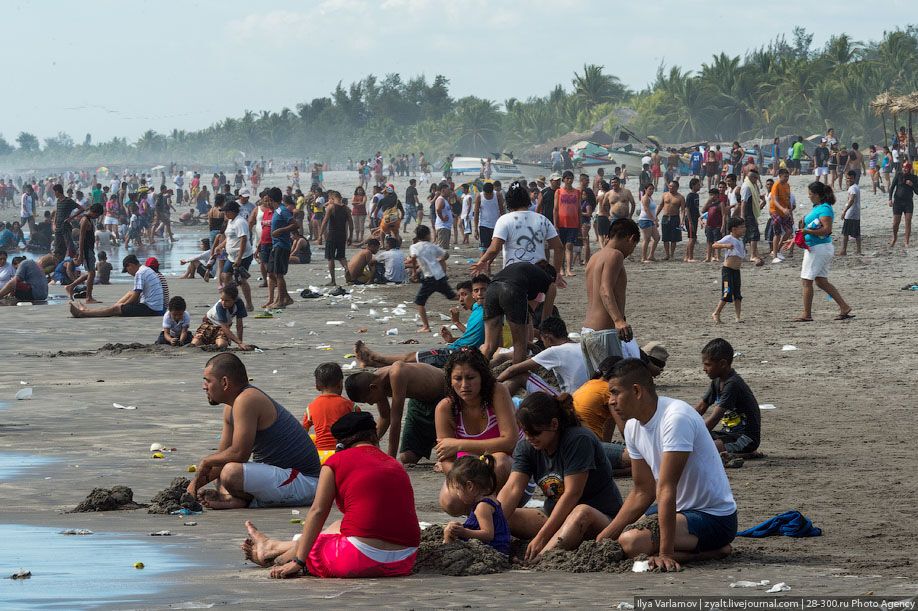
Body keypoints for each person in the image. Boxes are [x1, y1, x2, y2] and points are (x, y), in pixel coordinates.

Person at [596, 359, 737, 571]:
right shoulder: (633, 427)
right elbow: (643, 491)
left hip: (714, 517)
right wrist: (603, 537)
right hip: (679, 512)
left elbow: (666, 487)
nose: (611, 401)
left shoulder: (675, 417)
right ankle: (695, 549)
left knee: (631, 542)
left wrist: (665, 554)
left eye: (615, 393)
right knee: (621, 537)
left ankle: (713, 551)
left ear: (636, 391)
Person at [242, 411, 420, 578]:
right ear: (374, 437)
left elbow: (318, 511)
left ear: (340, 444)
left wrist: (298, 561)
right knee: (337, 524)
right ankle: (272, 546)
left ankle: (276, 558)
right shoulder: (394, 464)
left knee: (316, 542)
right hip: (404, 560)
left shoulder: (334, 462)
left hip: (359, 559)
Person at [497, 392, 623, 560]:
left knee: (581, 511)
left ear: (554, 424)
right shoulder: (527, 447)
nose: (529, 438)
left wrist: (541, 538)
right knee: (502, 515)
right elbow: (512, 489)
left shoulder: (578, 440)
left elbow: (572, 494)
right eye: (525, 432)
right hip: (556, 520)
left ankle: (540, 559)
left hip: (600, 520)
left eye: (535, 433)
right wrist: (491, 526)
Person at [188, 353, 322, 509]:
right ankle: (234, 499)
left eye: (208, 381)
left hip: (305, 482)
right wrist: (192, 487)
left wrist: (206, 461)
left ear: (224, 382)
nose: (204, 386)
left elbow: (239, 454)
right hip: (280, 476)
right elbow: (223, 457)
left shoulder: (247, 399)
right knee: (224, 468)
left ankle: (239, 499)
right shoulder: (230, 407)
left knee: (230, 472)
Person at [434, 349, 519, 515]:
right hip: (470, 472)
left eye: (471, 378)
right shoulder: (445, 408)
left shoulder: (497, 392)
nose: (464, 385)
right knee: (450, 501)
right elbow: (445, 458)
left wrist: (459, 445)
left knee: (499, 461)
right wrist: (463, 480)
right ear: (450, 381)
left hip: (511, 473)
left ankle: (494, 515)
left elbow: (509, 441)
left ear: (482, 378)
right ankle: (478, 516)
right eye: (458, 379)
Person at [355, 276, 489, 368]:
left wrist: (456, 325)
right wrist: (453, 336)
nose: (460, 299)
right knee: (412, 359)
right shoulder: (477, 309)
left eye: (464, 294)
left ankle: (375, 357)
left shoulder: (487, 311)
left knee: (410, 357)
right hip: (456, 349)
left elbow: (484, 340)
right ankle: (374, 362)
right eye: (476, 291)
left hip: (457, 354)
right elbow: (475, 336)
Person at [344, 362, 447, 461]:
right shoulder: (377, 384)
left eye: (368, 400)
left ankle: (438, 439)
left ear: (373, 388)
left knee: (446, 455)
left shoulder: (396, 373)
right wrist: (368, 443)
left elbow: (395, 421)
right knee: (407, 457)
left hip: (444, 396)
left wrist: (391, 460)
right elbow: (385, 417)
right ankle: (431, 439)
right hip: (419, 402)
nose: (371, 404)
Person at [581, 219, 641, 375]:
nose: (631, 251)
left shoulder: (594, 257)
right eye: (633, 246)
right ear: (630, 238)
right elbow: (605, 289)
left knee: (597, 385)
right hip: (604, 332)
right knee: (614, 384)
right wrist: (618, 320)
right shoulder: (615, 255)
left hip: (588, 331)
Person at [472, 180, 563, 279]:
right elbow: (559, 248)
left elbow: (494, 249)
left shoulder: (504, 220)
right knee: (548, 291)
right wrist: (557, 273)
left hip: (513, 275)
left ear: (509, 202)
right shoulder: (543, 220)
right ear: (527, 200)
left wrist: (482, 261)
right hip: (538, 274)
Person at [793, 181, 854, 322]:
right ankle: (844, 307)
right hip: (819, 248)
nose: (808, 196)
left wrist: (806, 230)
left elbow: (827, 230)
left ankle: (806, 314)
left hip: (818, 249)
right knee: (821, 281)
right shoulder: (818, 207)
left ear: (817, 195)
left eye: (810, 194)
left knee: (806, 280)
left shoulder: (825, 209)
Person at [480, 260, 558, 365]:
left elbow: (525, 314)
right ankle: (517, 378)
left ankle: (477, 373)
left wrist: (529, 343)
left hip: (492, 289)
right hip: (511, 289)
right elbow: (545, 322)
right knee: (519, 346)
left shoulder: (527, 271)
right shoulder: (551, 283)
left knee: (489, 346)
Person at [695, 338, 761, 456]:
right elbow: (700, 407)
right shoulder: (717, 381)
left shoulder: (732, 384)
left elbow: (715, 418)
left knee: (702, 448)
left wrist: (693, 433)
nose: (704, 369)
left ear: (722, 364)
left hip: (745, 438)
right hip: (727, 434)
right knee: (696, 441)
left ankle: (747, 453)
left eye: (708, 365)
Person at [498, 316, 588, 395]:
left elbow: (512, 370)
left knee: (521, 375)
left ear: (548, 338)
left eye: (543, 341)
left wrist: (494, 383)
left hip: (572, 403)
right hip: (589, 398)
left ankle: (494, 406)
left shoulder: (555, 351)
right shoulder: (580, 346)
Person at [442, 454, 511, 555]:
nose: (457, 493)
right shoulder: (491, 500)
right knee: (451, 528)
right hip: (495, 548)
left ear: (470, 486)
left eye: (457, 489)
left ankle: (445, 552)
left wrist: (464, 532)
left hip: (491, 550)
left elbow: (488, 534)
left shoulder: (482, 507)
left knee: (448, 532)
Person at [70, 254, 164, 318]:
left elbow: (135, 297)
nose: (129, 273)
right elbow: (135, 294)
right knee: (128, 295)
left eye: (127, 270)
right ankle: (89, 311)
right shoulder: (146, 269)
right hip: (156, 307)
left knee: (116, 308)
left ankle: (83, 313)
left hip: (151, 309)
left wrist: (122, 305)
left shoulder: (140, 273)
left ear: (130, 265)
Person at [302, 363, 358, 463]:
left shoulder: (311, 407)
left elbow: (302, 432)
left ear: (317, 386)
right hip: (342, 453)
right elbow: (362, 429)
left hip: (320, 456)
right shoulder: (351, 406)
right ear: (340, 384)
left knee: (312, 437)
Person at [407, 225, 453, 333]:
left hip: (429, 278)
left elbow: (413, 258)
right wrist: (439, 259)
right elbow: (446, 254)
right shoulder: (432, 246)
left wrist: (414, 272)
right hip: (440, 276)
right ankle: (474, 303)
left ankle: (426, 326)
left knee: (420, 302)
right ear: (428, 235)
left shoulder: (414, 246)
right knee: (452, 296)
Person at [191, 285, 253, 350]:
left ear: (234, 300)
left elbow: (239, 325)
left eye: (227, 300)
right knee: (194, 344)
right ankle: (210, 342)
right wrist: (239, 342)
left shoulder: (239, 303)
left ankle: (215, 342)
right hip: (210, 323)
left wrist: (240, 343)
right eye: (222, 299)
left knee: (222, 345)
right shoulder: (220, 306)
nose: (223, 303)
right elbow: (225, 328)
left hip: (223, 326)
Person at [219, 201, 255, 311]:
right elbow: (229, 237)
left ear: (233, 212)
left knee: (242, 280)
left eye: (226, 212)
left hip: (243, 256)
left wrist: (239, 257)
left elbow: (243, 239)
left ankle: (249, 304)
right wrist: (219, 246)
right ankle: (233, 298)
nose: (225, 214)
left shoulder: (240, 222)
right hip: (231, 256)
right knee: (225, 276)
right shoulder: (230, 221)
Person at [65, 203, 103, 303]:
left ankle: (71, 286)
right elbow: (81, 238)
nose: (97, 217)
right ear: (94, 212)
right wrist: (81, 254)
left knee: (91, 273)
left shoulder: (88, 218)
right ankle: (88, 297)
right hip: (86, 250)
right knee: (91, 273)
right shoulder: (85, 220)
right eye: (97, 215)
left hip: (89, 249)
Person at [711, 217, 747, 324]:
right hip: (727, 271)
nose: (744, 229)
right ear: (734, 229)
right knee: (727, 293)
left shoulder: (740, 240)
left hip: (736, 271)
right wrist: (725, 245)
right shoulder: (729, 238)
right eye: (741, 227)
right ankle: (716, 313)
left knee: (737, 295)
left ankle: (738, 317)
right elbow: (715, 245)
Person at [265, 189, 297, 309]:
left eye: (268, 200)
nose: (267, 202)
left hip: (282, 246)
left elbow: (295, 224)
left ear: (272, 200)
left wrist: (281, 230)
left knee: (279, 274)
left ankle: (281, 300)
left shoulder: (283, 210)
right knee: (272, 272)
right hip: (276, 245)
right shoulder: (277, 211)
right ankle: (285, 297)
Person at [319, 190, 354, 287]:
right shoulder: (346, 208)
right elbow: (351, 224)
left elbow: (325, 221)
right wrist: (350, 236)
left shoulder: (331, 207)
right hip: (342, 235)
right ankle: (346, 268)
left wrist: (320, 235)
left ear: (332, 198)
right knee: (341, 256)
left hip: (332, 235)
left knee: (330, 258)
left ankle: (333, 280)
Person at [553, 170, 581, 277]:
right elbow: (555, 209)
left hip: (573, 223)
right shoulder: (559, 192)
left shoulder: (577, 192)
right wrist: (555, 225)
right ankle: (561, 269)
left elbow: (578, 209)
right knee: (561, 247)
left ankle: (569, 269)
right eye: (567, 178)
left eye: (571, 178)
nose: (569, 180)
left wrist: (580, 224)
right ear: (564, 179)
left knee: (569, 246)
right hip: (561, 223)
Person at [474, 182, 505, 269]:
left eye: (488, 194)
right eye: (485, 194)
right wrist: (476, 229)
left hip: (496, 225)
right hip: (484, 225)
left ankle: (488, 263)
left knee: (497, 248)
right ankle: (484, 269)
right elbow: (476, 213)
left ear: (492, 192)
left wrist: (504, 224)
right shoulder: (479, 196)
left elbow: (502, 210)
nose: (487, 196)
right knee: (484, 249)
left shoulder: (498, 195)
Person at [888, 160, 916, 248]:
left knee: (908, 221)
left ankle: (906, 241)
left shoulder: (914, 178)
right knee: (895, 223)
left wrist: (912, 185)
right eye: (903, 167)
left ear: (909, 169)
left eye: (906, 168)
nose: (904, 169)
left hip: (908, 202)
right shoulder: (898, 175)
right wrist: (889, 199)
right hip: (898, 202)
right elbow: (892, 187)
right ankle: (895, 237)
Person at [769, 169, 794, 263]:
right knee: (777, 233)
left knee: (789, 231)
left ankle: (777, 250)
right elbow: (774, 200)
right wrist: (782, 209)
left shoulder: (787, 185)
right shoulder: (776, 185)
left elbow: (788, 200)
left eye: (788, 177)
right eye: (785, 177)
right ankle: (774, 256)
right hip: (775, 211)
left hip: (785, 212)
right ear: (780, 176)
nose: (787, 179)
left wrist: (790, 213)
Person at [656, 180, 684, 261]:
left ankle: (672, 255)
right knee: (665, 237)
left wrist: (682, 221)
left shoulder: (680, 197)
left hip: (675, 218)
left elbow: (682, 210)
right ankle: (667, 254)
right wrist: (655, 216)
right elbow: (661, 206)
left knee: (674, 238)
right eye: (669, 186)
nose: (670, 187)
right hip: (665, 217)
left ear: (676, 187)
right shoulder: (665, 195)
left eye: (672, 186)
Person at [839, 170, 862, 256]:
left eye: (850, 178)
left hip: (851, 213)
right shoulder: (855, 187)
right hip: (855, 213)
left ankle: (843, 250)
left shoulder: (853, 188)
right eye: (847, 178)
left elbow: (851, 199)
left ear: (854, 178)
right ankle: (859, 250)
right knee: (856, 233)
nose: (848, 180)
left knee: (845, 233)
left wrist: (844, 211)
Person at [637, 184, 660, 262]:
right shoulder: (645, 198)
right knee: (647, 239)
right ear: (645, 189)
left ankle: (651, 255)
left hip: (651, 219)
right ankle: (643, 258)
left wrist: (656, 218)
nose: (651, 191)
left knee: (657, 237)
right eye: (650, 189)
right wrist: (654, 220)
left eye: (652, 189)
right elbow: (646, 210)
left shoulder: (650, 198)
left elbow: (652, 210)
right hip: (645, 220)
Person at [683, 178, 702, 262]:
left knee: (693, 237)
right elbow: (687, 209)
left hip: (694, 218)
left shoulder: (696, 195)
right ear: (693, 186)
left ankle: (687, 256)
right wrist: (690, 222)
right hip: (690, 219)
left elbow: (696, 208)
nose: (699, 186)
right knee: (692, 238)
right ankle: (690, 257)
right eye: (698, 184)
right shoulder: (690, 196)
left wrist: (700, 218)